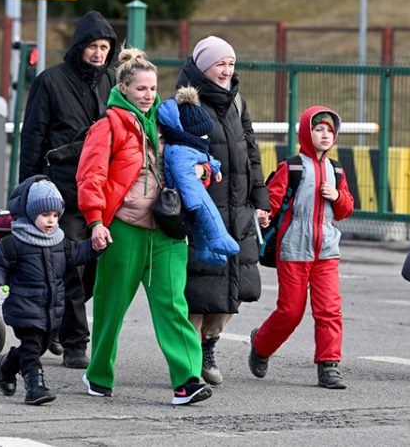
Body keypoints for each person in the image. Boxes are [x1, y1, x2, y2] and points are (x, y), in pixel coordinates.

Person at [77, 47, 213, 406]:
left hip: (168, 231)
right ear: (123, 88)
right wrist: (95, 222)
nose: (149, 95)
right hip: (123, 230)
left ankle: (187, 381)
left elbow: (201, 156)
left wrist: (205, 172)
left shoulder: (170, 123)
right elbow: (90, 177)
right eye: (141, 89)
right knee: (111, 307)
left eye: (153, 88)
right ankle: (99, 374)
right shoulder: (107, 126)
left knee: (173, 305)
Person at [19, 10, 118, 368]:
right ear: (80, 47)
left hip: (107, 192)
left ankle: (61, 322)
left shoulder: (114, 83)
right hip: (63, 192)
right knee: (73, 268)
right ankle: (76, 342)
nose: (97, 53)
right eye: (92, 46)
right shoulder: (51, 82)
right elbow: (32, 137)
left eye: (104, 47)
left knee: (95, 271)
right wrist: (26, 191)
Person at [175, 36, 270, 386]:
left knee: (238, 289)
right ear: (203, 67)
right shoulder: (186, 103)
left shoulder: (237, 101)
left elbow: (252, 152)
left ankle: (208, 343)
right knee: (199, 290)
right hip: (203, 210)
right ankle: (193, 355)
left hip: (239, 209)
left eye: (231, 64)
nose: (227, 71)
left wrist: (260, 200)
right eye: (220, 64)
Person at [247, 107, 354, 389]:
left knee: (329, 310)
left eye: (330, 131)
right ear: (306, 132)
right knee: (290, 312)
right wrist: (264, 213)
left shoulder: (337, 170)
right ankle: (260, 345)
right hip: (293, 249)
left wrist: (338, 196)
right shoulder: (292, 166)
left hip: (327, 251)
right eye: (318, 129)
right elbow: (271, 200)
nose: (325, 135)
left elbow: (345, 210)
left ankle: (329, 366)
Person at [0, 176, 99, 405]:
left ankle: (7, 363)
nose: (51, 221)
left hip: (51, 309)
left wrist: (95, 247)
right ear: (30, 214)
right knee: (32, 347)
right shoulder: (14, 242)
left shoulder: (59, 241)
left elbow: (76, 254)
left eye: (55, 216)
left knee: (39, 346)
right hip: (24, 307)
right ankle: (35, 386)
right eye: (45, 215)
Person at [156, 85, 238, 264]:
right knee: (208, 211)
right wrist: (193, 202)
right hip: (189, 196)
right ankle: (219, 237)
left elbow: (206, 158)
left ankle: (206, 250)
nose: (206, 139)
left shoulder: (191, 147)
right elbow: (185, 177)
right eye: (202, 135)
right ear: (189, 134)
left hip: (191, 193)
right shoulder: (181, 151)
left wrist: (213, 168)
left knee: (198, 226)